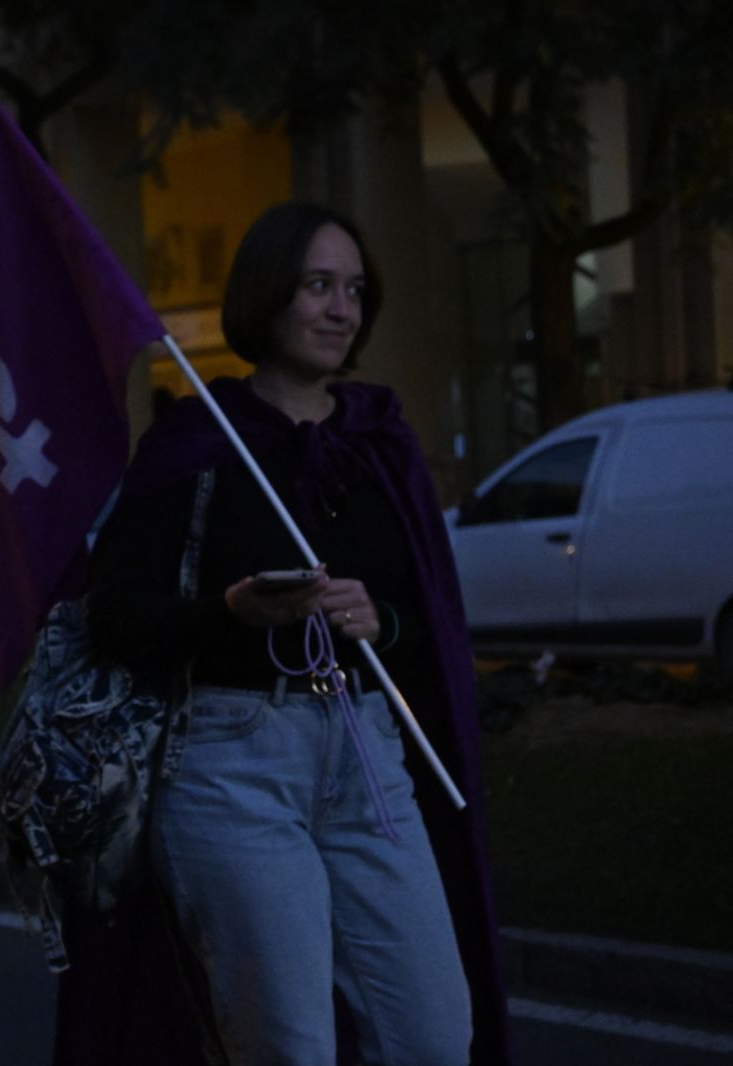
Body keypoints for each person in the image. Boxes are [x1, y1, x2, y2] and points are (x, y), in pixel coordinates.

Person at [68, 202, 510, 1064]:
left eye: (354, 290)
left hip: (369, 757)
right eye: (317, 285)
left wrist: (382, 621)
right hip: (234, 766)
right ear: (267, 296)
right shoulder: (195, 441)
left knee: (432, 1033)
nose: (340, 309)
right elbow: (113, 614)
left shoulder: (380, 443)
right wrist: (227, 612)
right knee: (288, 1046)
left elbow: (429, 621)